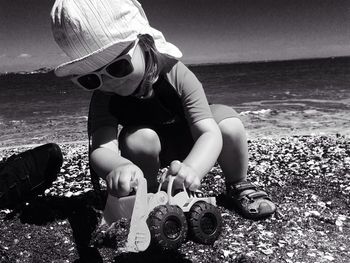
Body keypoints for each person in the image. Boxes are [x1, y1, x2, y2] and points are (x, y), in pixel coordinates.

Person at [50, 0, 275, 220]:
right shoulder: (104, 96)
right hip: (147, 151)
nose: (108, 81)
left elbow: (207, 132)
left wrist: (193, 168)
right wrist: (118, 167)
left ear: (145, 44)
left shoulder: (174, 73)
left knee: (229, 124)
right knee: (138, 138)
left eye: (118, 66)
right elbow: (101, 149)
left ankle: (238, 184)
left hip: (191, 140)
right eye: (91, 78)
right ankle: (146, 192)